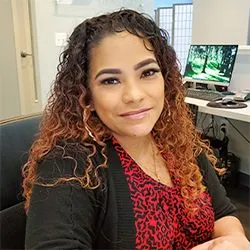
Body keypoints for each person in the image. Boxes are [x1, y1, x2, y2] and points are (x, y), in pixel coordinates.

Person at [23, 9, 250, 250]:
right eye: (110, 80)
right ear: (86, 94)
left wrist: (234, 240)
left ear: (166, 78)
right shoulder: (70, 163)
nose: (134, 95)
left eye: (148, 72)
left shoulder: (179, 142)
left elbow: (224, 212)